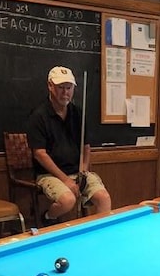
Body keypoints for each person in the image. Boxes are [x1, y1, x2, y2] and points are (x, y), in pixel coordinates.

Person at [28, 66, 111, 223]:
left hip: (77, 171)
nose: (65, 92)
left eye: (69, 88)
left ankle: (102, 236)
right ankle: (47, 217)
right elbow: (39, 153)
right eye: (60, 88)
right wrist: (65, 179)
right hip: (50, 175)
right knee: (68, 200)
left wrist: (84, 171)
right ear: (50, 86)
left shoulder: (78, 113)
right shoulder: (38, 116)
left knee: (104, 198)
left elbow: (86, 147)